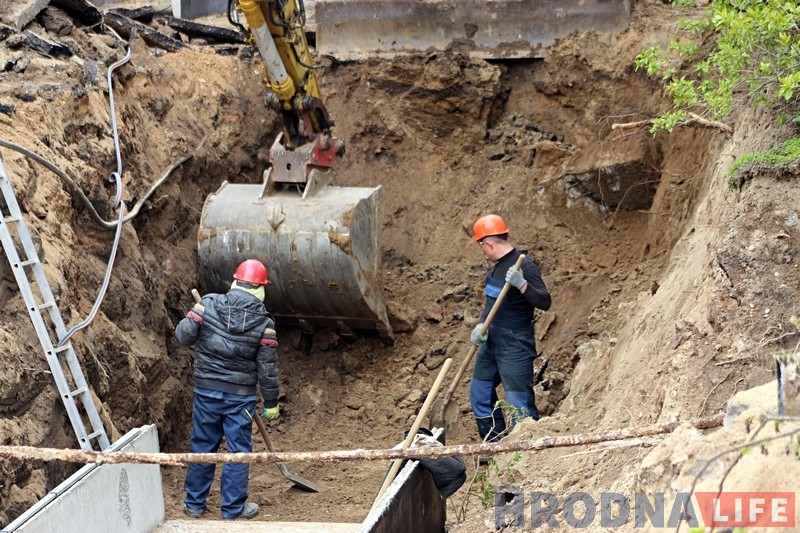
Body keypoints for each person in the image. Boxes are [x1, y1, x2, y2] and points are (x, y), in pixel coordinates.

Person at [175, 259, 280, 520]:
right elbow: (267, 369)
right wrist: (271, 403)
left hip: (206, 391)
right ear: (260, 289)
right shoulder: (265, 324)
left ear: (235, 281)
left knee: (202, 444)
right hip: (239, 398)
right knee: (238, 451)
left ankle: (194, 505)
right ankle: (232, 509)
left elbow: (183, 336)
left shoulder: (208, 304)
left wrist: (196, 313)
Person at [469, 214, 551, 443]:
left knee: (518, 403)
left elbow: (545, 302)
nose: (483, 251)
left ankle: (524, 453)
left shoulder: (524, 267)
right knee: (479, 392)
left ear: (489, 244)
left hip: (514, 343)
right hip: (491, 341)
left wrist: (522, 284)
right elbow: (490, 305)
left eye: (482, 247)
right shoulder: (494, 272)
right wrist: (479, 326)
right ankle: (493, 445)